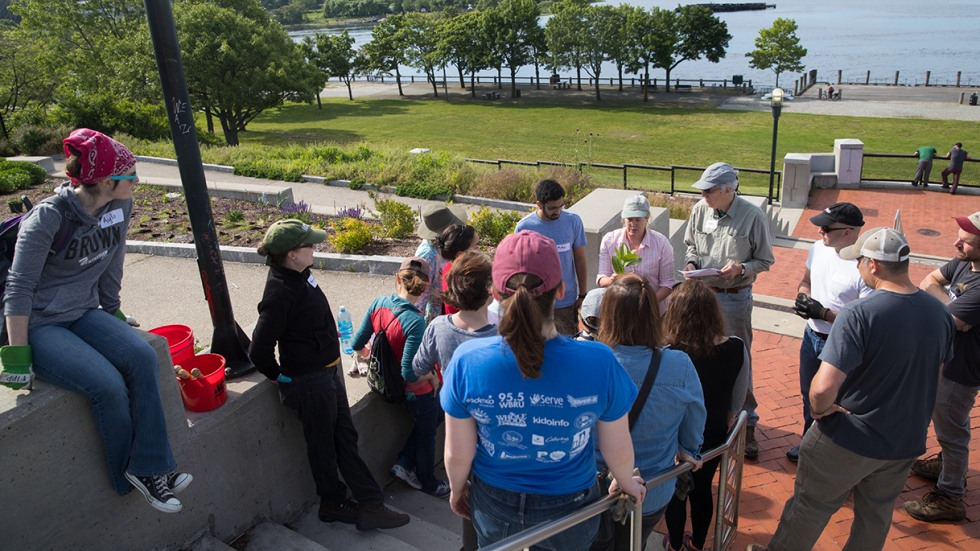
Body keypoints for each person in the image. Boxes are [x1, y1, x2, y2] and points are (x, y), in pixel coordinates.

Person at [0, 129, 191, 513]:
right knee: (107, 385)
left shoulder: (119, 206)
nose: (137, 181)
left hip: (84, 310)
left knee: (142, 355)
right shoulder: (48, 219)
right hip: (42, 323)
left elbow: (112, 261)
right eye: (131, 175)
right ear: (106, 181)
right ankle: (129, 477)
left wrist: (112, 308)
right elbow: (18, 286)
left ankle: (151, 467)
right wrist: (16, 353)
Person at [748, 227, 954, 551]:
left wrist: (818, 410)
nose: (856, 266)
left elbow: (823, 387)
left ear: (873, 265)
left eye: (858, 260)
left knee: (809, 508)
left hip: (849, 437)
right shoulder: (940, 313)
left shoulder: (860, 313)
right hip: (904, 441)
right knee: (875, 518)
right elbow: (937, 373)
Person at [441, 230, 646, 551]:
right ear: (561, 290)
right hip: (571, 510)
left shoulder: (467, 362)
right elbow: (617, 449)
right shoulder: (600, 361)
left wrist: (456, 490)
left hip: (494, 505)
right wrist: (628, 483)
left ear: (495, 292)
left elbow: (458, 453)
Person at [249, 219, 410, 531]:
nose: (315, 247)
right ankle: (333, 503)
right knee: (324, 445)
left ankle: (370, 504)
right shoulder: (280, 292)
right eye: (308, 244)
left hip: (325, 376)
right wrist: (280, 377)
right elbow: (259, 350)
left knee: (345, 439)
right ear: (291, 254)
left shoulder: (300, 275)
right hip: (309, 382)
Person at [592, 274, 706, 551]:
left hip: (595, 490)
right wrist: (689, 450)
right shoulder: (680, 365)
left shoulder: (592, 362)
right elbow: (694, 420)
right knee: (635, 543)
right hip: (652, 490)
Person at [683, 162, 774, 459]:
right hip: (702, 294)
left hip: (734, 298)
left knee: (739, 358)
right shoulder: (700, 210)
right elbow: (691, 246)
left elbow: (765, 260)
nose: (704, 195)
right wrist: (693, 265)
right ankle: (704, 415)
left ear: (727, 190)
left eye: (709, 191)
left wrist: (741, 268)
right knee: (697, 354)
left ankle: (747, 422)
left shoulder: (752, 216)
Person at [412, 249, 497, 551]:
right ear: (491, 292)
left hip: (455, 421)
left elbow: (417, 367)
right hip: (493, 429)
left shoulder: (438, 327)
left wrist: (437, 377)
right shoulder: (501, 336)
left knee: (464, 489)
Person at [902, 212, 980, 522]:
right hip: (943, 362)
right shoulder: (964, 261)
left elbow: (952, 322)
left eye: (966, 240)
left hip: (960, 371)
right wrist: (949, 301)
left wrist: (943, 304)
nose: (956, 243)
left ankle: (950, 496)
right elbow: (927, 281)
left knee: (953, 431)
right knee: (945, 424)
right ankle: (946, 466)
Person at [351, 257, 447, 498]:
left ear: (397, 279)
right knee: (427, 438)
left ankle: (403, 463)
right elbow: (409, 371)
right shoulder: (415, 321)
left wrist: (373, 354)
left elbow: (357, 343)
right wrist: (432, 377)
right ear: (425, 287)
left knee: (435, 417)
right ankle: (428, 482)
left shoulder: (379, 304)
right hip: (417, 392)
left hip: (387, 384)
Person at [662, 279, 747, 551]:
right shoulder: (736, 347)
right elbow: (738, 398)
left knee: (676, 495)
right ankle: (697, 545)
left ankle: (675, 544)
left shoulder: (668, 353)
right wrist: (729, 417)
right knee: (702, 490)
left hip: (675, 438)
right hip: (713, 436)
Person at [787, 203, 872, 462]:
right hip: (811, 337)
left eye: (826, 228)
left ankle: (834, 457)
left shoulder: (865, 267)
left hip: (842, 345)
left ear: (848, 232)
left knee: (838, 401)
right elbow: (806, 281)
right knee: (808, 395)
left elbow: (865, 323)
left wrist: (823, 313)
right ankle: (809, 443)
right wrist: (804, 298)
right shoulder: (817, 249)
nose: (820, 232)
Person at [515, 179, 589, 336]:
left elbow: (580, 258)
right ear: (539, 204)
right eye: (552, 208)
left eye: (561, 206)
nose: (557, 211)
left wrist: (582, 294)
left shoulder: (573, 221)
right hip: (537, 303)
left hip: (566, 303)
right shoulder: (524, 227)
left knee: (568, 347)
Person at [597, 194, 675, 312]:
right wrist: (614, 279)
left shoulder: (661, 243)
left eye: (638, 219)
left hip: (653, 311)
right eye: (629, 219)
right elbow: (601, 279)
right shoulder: (609, 241)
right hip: (620, 309)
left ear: (647, 218)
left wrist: (647, 305)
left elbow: (667, 284)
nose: (633, 224)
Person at [415, 204, 467, 322]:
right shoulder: (427, 255)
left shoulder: (443, 243)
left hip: (448, 302)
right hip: (436, 311)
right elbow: (421, 296)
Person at [435, 223, 479, 315]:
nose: (479, 250)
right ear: (460, 254)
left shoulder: (448, 267)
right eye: (476, 247)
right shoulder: (465, 278)